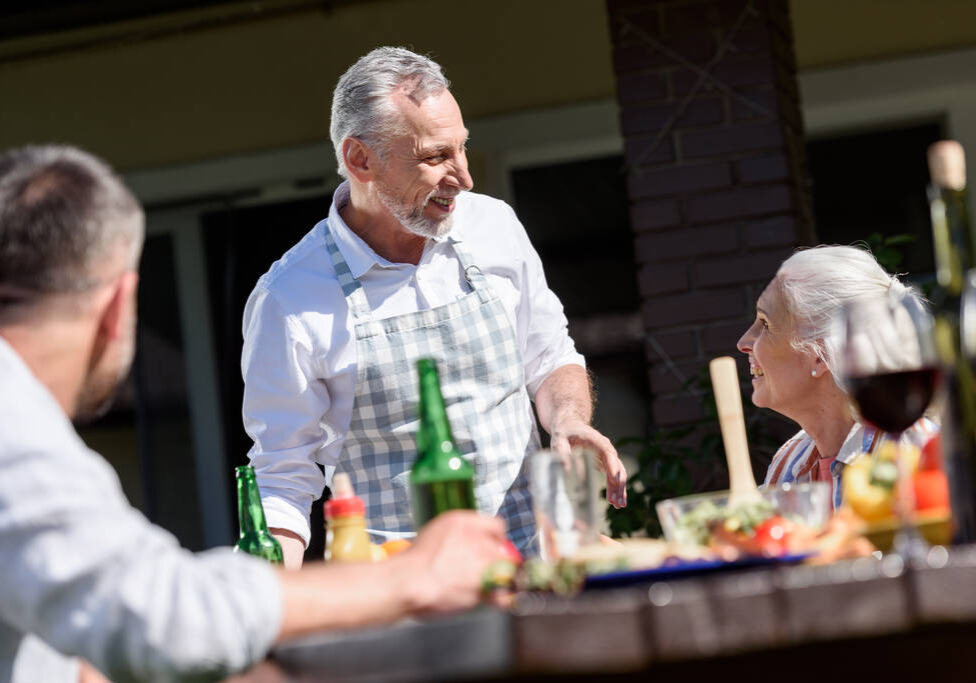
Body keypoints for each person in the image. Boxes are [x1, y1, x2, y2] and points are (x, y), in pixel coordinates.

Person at [0, 144, 513, 683]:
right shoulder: (12, 423)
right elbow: (164, 616)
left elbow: (70, 621)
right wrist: (415, 576)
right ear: (117, 306)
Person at [241, 46, 627, 567]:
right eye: (434, 157)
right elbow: (283, 473)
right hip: (399, 589)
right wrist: (273, 597)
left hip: (540, 560)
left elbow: (549, 355)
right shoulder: (289, 298)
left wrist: (568, 420)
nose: (463, 177)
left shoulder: (494, 227)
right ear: (360, 160)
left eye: (462, 149)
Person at [736, 245, 938, 509]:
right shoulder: (790, 461)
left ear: (820, 355)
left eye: (765, 324)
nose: (743, 342)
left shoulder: (916, 451)